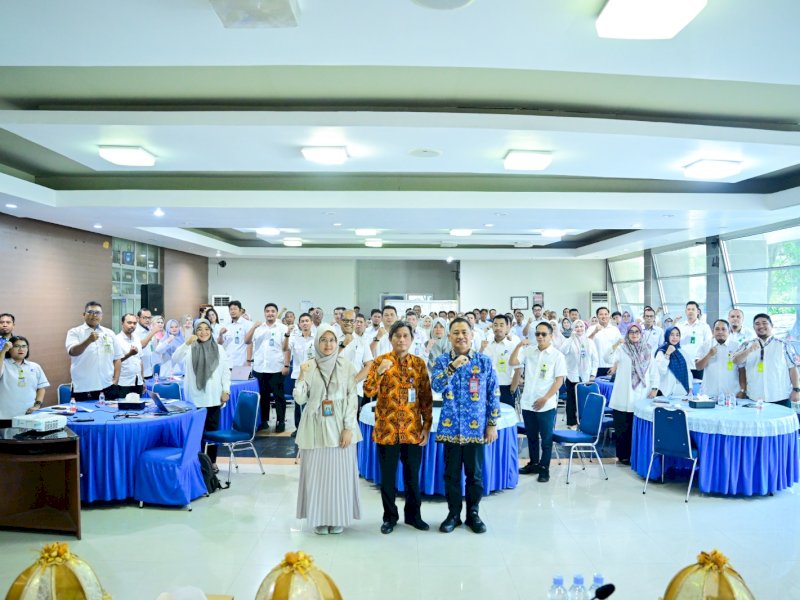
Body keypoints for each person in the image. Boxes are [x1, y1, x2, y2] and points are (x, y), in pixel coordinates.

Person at [363, 320, 433, 535]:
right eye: (397, 336)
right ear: (390, 338)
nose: (401, 339)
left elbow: (425, 398)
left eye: (405, 336)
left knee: (412, 476)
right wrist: (380, 372)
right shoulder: (380, 361)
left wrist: (426, 426)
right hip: (387, 430)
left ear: (412, 340)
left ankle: (414, 516)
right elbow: (368, 391)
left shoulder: (419, 364)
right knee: (388, 477)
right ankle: (389, 517)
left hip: (412, 430)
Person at [432, 318, 500, 532]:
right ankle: (453, 515)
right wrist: (452, 367)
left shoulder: (484, 362)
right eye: (456, 332)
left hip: (476, 429)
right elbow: (436, 385)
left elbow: (493, 393)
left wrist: (491, 424)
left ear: (472, 335)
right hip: (451, 429)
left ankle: (473, 514)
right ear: (449, 336)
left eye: (464, 332)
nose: (460, 336)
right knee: (451, 475)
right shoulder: (442, 361)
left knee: (475, 476)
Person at [294, 325, 362, 535]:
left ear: (337, 342)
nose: (328, 344)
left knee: (339, 475)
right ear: (316, 342)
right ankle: (319, 519)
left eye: (332, 339)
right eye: (323, 339)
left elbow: (352, 398)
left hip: (340, 424)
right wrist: (301, 376)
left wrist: (349, 428)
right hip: (314, 426)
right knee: (316, 475)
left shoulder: (347, 366)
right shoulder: (308, 366)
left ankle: (338, 517)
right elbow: (299, 398)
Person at [510, 322, 566, 482]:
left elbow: (559, 381)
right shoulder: (529, 351)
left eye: (543, 334)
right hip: (528, 401)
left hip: (546, 404)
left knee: (546, 439)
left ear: (551, 336)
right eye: (538, 334)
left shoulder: (557, 355)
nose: (540, 337)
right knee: (532, 436)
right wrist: (519, 345)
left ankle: (544, 468)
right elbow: (512, 362)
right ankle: (534, 463)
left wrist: (545, 398)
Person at [172, 318, 231, 465]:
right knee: (195, 434)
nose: (203, 332)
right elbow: (175, 358)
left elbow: (225, 372)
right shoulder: (190, 348)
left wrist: (226, 390)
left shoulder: (219, 348)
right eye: (199, 329)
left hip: (214, 398)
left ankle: (211, 463)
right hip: (195, 399)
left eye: (206, 329)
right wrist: (186, 343)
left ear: (211, 331)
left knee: (212, 434)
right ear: (194, 331)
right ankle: (196, 463)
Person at [606, 324, 658, 465]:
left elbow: (654, 371)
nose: (634, 334)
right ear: (627, 334)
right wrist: (616, 344)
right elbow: (606, 357)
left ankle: (636, 456)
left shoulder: (648, 350)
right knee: (622, 427)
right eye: (631, 332)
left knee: (637, 428)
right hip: (623, 394)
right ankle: (623, 456)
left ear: (641, 334)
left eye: (637, 332)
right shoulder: (622, 349)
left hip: (641, 394)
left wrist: (654, 388)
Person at [733, 313, 800, 407]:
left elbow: (793, 368)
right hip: (754, 397)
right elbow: (736, 360)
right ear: (753, 327)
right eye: (757, 324)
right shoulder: (747, 344)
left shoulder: (783, 344)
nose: (761, 326)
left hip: (780, 396)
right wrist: (749, 351)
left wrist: (796, 390)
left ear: (771, 325)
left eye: (764, 323)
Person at [65, 301, 124, 400]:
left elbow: (117, 358)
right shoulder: (74, 332)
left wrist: (115, 380)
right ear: (84, 315)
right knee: (84, 416)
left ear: (101, 316)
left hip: (108, 386)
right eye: (90, 312)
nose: (94, 315)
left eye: (97, 313)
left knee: (111, 415)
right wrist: (88, 341)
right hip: (84, 388)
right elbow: (73, 352)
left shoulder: (109, 333)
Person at [246, 303, 290, 432]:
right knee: (262, 396)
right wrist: (254, 326)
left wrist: (286, 365)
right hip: (260, 368)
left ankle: (280, 421)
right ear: (264, 313)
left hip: (276, 367)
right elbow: (247, 341)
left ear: (276, 313)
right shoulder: (258, 328)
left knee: (279, 397)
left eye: (272, 311)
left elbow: (287, 348)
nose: (270, 313)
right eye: (267, 311)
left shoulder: (282, 328)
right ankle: (263, 421)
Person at [553, 319, 598, 429]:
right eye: (576, 327)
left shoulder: (590, 342)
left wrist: (593, 374)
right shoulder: (569, 341)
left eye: (581, 327)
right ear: (573, 329)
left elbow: (595, 360)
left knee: (585, 400)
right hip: (572, 375)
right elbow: (562, 351)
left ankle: (583, 421)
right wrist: (571, 338)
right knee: (572, 400)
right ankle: (571, 423)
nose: (579, 329)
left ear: (584, 328)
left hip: (586, 375)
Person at [0, 336, 49, 418]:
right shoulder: (4, 364)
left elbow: (41, 388)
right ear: (9, 348)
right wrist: (3, 351)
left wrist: (37, 405)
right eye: (16, 346)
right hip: (6, 415)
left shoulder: (35, 366)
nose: (21, 349)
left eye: (24, 346)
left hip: (28, 414)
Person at [481, 314, 521, 408]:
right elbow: (479, 366)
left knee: (506, 419)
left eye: (501, 325)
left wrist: (512, 390)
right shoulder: (486, 345)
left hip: (505, 388)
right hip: (488, 387)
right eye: (495, 325)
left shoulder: (512, 346)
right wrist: (481, 349)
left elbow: (518, 370)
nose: (498, 328)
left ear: (507, 327)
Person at [696, 319, 741, 399]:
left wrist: (743, 390)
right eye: (717, 329)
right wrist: (709, 355)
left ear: (729, 331)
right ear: (713, 331)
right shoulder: (705, 345)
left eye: (723, 329)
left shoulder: (736, 346)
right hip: (709, 393)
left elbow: (742, 370)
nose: (720, 332)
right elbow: (698, 367)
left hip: (731, 394)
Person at [286, 312, 315, 429]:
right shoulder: (294, 338)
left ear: (311, 323)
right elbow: (285, 348)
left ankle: (312, 427)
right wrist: (287, 334)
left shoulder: (317, 338)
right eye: (302, 321)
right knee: (298, 402)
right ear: (299, 324)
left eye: (307, 321)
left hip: (313, 375)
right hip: (298, 376)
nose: (305, 323)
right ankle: (298, 428)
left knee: (312, 402)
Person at [338, 310, 373, 407]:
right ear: (340, 321)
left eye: (351, 321)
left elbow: (369, 365)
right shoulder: (333, 338)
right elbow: (327, 360)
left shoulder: (362, 341)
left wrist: (354, 381)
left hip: (355, 390)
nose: (348, 323)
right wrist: (343, 344)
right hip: (334, 390)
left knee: (352, 421)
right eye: (345, 320)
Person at [677, 301, 713, 380]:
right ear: (685, 312)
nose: (690, 311)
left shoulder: (704, 327)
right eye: (688, 309)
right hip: (682, 365)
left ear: (698, 311)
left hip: (698, 365)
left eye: (693, 309)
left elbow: (709, 344)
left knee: (698, 390)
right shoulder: (679, 326)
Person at [653, 327, 692, 397]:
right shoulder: (661, 351)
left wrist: (690, 388)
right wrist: (667, 354)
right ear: (667, 336)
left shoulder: (681, 352)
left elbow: (688, 371)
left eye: (677, 335)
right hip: (665, 392)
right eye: (672, 334)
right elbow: (661, 371)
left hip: (681, 391)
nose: (675, 337)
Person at [587, 307, 623, 377]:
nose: (604, 316)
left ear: (609, 315)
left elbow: (620, 349)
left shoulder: (615, 329)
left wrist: (615, 366)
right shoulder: (591, 329)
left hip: (611, 366)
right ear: (597, 316)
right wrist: (594, 332)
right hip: (596, 366)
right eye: (601, 314)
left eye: (606, 314)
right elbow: (585, 344)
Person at [116, 313, 145, 397]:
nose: (132, 325)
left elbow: (140, 360)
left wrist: (142, 380)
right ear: (122, 323)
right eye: (129, 323)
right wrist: (129, 354)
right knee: (124, 409)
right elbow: (114, 362)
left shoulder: (137, 338)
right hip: (123, 382)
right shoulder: (117, 339)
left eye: (134, 323)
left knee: (139, 408)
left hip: (138, 381)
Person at [218, 300, 251, 368]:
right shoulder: (226, 325)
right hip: (228, 362)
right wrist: (220, 334)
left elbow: (250, 344)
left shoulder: (247, 324)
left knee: (240, 379)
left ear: (240, 310)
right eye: (231, 309)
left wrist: (248, 361)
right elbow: (220, 343)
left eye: (235, 309)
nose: (233, 311)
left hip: (241, 363)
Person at [134, 308, 160, 381]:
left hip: (150, 371)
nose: (147, 320)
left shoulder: (148, 329)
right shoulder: (136, 331)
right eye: (144, 317)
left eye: (149, 318)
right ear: (138, 318)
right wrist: (153, 332)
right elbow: (140, 345)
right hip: (140, 373)